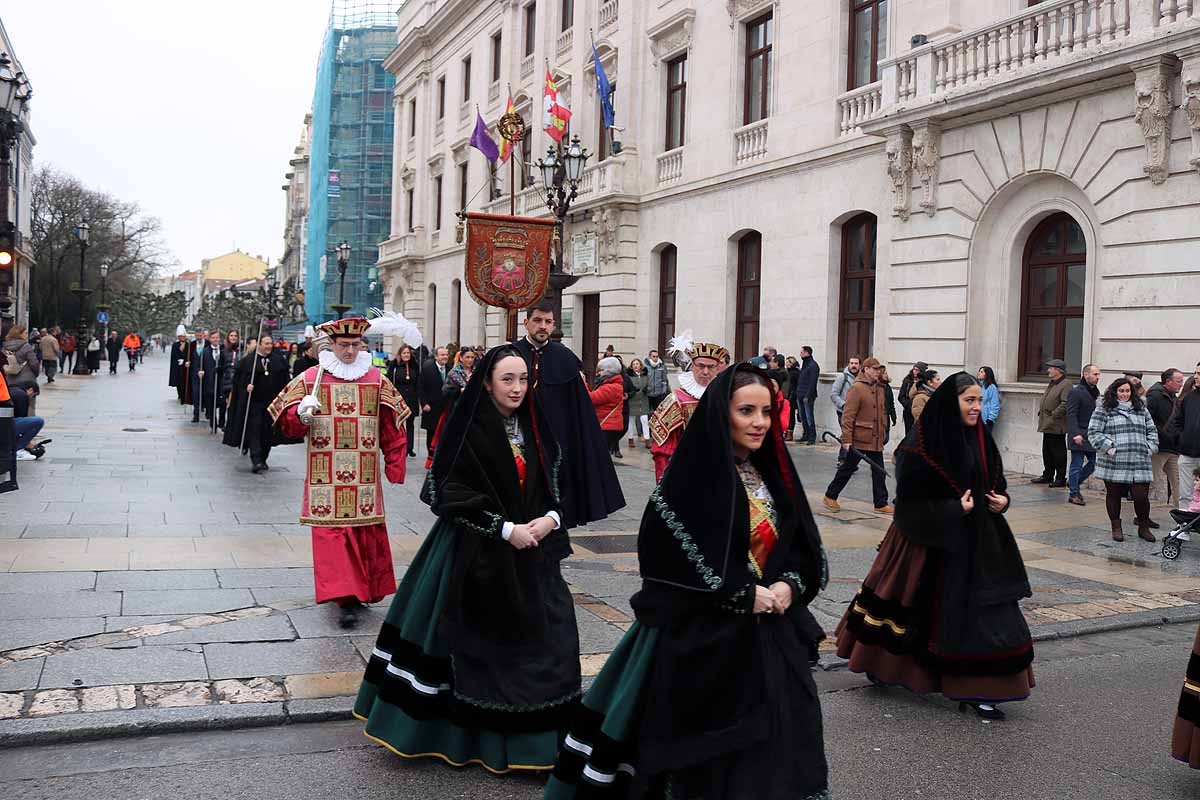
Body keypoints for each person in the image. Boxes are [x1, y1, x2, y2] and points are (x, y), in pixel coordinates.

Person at [546, 364, 830, 800]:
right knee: (712, 753)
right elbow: (665, 554)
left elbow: (799, 544)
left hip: (773, 632)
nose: (759, 422)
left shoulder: (773, 473)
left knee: (786, 738)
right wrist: (737, 592)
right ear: (722, 413)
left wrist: (790, 584)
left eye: (767, 412)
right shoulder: (690, 477)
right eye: (747, 411)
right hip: (705, 636)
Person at [354, 345, 578, 772]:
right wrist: (504, 529)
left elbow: (558, 483)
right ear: (488, 382)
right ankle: (474, 742)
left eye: (522, 379)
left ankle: (536, 744)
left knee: (549, 641)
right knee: (473, 647)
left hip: (533, 552)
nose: (516, 388)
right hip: (473, 551)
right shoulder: (468, 425)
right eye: (507, 379)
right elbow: (443, 491)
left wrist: (549, 519)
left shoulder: (536, 426)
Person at [837, 373, 1033, 720]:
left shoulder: (980, 437)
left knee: (985, 615)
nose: (976, 407)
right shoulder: (918, 447)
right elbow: (909, 508)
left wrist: (1003, 499)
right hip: (925, 544)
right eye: (968, 400)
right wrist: (953, 509)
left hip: (980, 544)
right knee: (911, 610)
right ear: (950, 402)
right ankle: (884, 667)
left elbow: (995, 481)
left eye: (978, 400)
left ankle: (981, 687)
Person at [269, 316, 411, 628]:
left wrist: (395, 463)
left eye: (355, 345)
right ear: (330, 345)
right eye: (343, 345)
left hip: (363, 479)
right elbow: (284, 422)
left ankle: (360, 591)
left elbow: (393, 423)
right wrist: (300, 415)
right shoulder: (310, 378)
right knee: (332, 539)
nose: (349, 351)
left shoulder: (375, 379)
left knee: (364, 535)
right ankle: (345, 597)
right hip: (326, 478)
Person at [512, 301, 624, 527]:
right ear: (526, 323)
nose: (542, 326)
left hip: (556, 447)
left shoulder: (565, 358)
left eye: (548, 322)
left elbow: (579, 410)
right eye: (537, 321)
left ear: (553, 325)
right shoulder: (511, 354)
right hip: (518, 444)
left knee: (553, 512)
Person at [648, 331, 730, 481]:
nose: (705, 372)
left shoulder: (727, 398)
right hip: (686, 476)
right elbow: (662, 450)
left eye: (711, 367)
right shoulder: (676, 400)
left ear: (718, 368)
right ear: (692, 366)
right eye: (700, 366)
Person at [1088, 376, 1158, 542]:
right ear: (1115, 392)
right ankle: (1116, 527)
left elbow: (1152, 431)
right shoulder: (1103, 409)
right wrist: (1110, 447)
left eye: (1127, 391)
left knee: (1141, 495)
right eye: (1121, 391)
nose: (1125, 394)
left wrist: (1150, 447)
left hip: (1139, 459)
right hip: (1114, 461)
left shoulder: (1141, 408)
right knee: (1114, 494)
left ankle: (1143, 527)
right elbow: (1093, 432)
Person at [823, 357, 892, 514]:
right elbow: (848, 415)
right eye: (875, 369)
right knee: (847, 468)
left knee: (879, 470)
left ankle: (880, 503)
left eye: (879, 369)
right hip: (860, 438)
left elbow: (882, 412)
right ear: (866, 369)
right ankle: (830, 495)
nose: (878, 372)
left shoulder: (880, 387)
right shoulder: (857, 388)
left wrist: (883, 432)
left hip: (875, 438)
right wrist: (846, 439)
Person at [223, 333, 290, 473]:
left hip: (271, 404)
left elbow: (285, 382)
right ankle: (256, 459)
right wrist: (246, 386)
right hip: (254, 404)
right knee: (255, 430)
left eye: (270, 343)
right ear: (259, 344)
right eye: (266, 343)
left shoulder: (278, 360)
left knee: (267, 433)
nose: (269, 346)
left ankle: (263, 458)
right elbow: (238, 382)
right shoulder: (248, 362)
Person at [1066, 364, 1101, 507]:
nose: (1098, 377)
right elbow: (1071, 414)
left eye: (1098, 374)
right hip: (1079, 434)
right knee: (1077, 464)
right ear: (1086, 375)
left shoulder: (1095, 392)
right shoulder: (1076, 392)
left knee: (1094, 463)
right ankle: (1074, 494)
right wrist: (1075, 434)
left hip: (1091, 434)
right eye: (1095, 374)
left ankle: (1074, 482)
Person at [1147, 368, 1184, 506]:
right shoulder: (1154, 396)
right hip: (1159, 447)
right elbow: (1148, 420)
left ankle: (1182, 512)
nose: (1181, 384)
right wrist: (1164, 435)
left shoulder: (1174, 397)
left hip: (1173, 448)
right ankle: (1143, 516)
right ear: (1168, 381)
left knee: (1179, 481)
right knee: (1153, 482)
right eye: (1179, 381)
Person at [1032, 358, 1071, 487]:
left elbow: (1065, 404)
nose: (1048, 370)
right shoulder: (1053, 383)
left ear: (1058, 370)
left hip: (1056, 424)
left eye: (1051, 368)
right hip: (1047, 423)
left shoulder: (1066, 384)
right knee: (1047, 451)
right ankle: (1048, 474)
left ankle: (1060, 478)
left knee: (1058, 452)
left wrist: (1053, 415)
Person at [1171, 376, 1200, 513]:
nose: (1196, 376)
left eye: (1199, 373)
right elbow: (1177, 422)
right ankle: (1184, 527)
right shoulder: (1189, 398)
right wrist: (1181, 438)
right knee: (1185, 494)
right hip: (1187, 453)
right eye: (1196, 372)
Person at [386, 344, 420, 457]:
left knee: (410, 424)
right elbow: (389, 381)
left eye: (408, 353)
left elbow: (418, 383)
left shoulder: (414, 366)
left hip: (411, 398)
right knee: (398, 423)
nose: (406, 355)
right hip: (398, 398)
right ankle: (398, 445)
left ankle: (409, 447)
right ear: (400, 355)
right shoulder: (394, 366)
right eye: (404, 353)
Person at [590, 357, 626, 459]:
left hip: (607, 427)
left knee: (599, 457)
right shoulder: (611, 385)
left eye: (600, 370)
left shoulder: (612, 387)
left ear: (608, 371)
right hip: (608, 426)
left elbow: (591, 398)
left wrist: (581, 383)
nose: (598, 373)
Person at [418, 345, 450, 459]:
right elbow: (421, 387)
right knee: (431, 434)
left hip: (446, 408)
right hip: (431, 407)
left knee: (445, 434)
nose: (445, 357)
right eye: (442, 355)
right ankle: (431, 458)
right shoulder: (427, 368)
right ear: (436, 356)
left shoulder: (451, 368)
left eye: (446, 355)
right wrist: (424, 403)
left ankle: (442, 458)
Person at [831, 356, 862, 463]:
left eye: (856, 363)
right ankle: (843, 459)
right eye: (852, 363)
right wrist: (844, 405)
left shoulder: (862, 378)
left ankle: (848, 460)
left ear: (860, 365)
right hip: (843, 412)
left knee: (852, 435)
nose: (854, 365)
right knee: (847, 434)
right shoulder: (842, 377)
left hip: (857, 413)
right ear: (848, 364)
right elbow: (834, 394)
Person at [3, 326, 40, 412]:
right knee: (29, 406)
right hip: (26, 381)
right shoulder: (26, 346)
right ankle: (27, 423)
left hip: (9, 381)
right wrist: (35, 374)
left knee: (13, 406)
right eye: (25, 333)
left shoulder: (5, 347)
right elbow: (34, 363)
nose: (27, 335)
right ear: (19, 334)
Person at [191, 331, 221, 426]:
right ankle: (213, 422)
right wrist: (201, 371)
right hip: (209, 381)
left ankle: (221, 421)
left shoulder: (223, 350)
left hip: (220, 381)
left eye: (217, 337)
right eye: (213, 338)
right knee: (210, 403)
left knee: (220, 403)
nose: (215, 339)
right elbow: (201, 365)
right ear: (210, 339)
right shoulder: (205, 351)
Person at [217, 330, 243, 430]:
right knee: (223, 403)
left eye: (235, 336)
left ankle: (231, 423)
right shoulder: (224, 351)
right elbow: (221, 366)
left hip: (237, 380)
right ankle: (222, 422)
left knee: (233, 404)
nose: (233, 337)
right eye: (231, 335)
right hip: (226, 380)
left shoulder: (241, 350)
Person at [795, 346, 821, 445]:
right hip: (800, 394)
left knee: (809, 416)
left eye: (801, 352)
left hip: (807, 395)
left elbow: (812, 382)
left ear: (807, 353)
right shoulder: (805, 364)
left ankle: (812, 436)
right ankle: (805, 434)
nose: (800, 354)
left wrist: (808, 396)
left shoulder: (813, 365)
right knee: (803, 416)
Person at [626, 357, 650, 449]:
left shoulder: (645, 375)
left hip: (643, 400)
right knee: (631, 421)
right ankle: (630, 439)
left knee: (644, 419)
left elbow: (649, 385)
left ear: (640, 365)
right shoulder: (629, 376)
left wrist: (647, 389)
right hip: (632, 400)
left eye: (637, 364)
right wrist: (631, 391)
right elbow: (626, 387)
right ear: (631, 367)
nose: (635, 365)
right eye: (634, 364)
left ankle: (647, 439)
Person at [169, 326, 191, 405]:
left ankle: (184, 395)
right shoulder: (175, 345)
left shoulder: (188, 345)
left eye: (184, 336)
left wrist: (185, 360)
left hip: (185, 366)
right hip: (177, 367)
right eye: (181, 336)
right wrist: (178, 359)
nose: (183, 337)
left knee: (185, 381)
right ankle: (180, 395)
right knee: (179, 382)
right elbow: (174, 355)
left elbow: (189, 354)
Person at [645, 348, 670, 413]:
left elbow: (665, 380)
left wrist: (663, 391)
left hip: (659, 394)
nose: (655, 358)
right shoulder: (645, 367)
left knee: (658, 412)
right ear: (650, 357)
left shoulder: (662, 366)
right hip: (648, 393)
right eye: (654, 356)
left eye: (657, 356)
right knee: (647, 413)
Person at [977, 366, 1000, 432]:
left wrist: (990, 419)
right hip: (977, 420)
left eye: (981, 372)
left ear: (987, 374)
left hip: (986, 421)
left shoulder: (992, 387)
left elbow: (995, 404)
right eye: (979, 371)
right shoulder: (978, 386)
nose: (979, 373)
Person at [785, 355, 801, 441]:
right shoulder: (790, 372)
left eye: (788, 362)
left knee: (791, 415)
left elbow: (792, 386)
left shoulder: (794, 373)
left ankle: (789, 433)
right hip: (791, 396)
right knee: (789, 415)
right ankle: (788, 432)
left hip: (792, 397)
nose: (786, 364)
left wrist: (790, 397)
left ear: (792, 363)